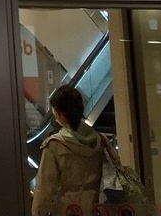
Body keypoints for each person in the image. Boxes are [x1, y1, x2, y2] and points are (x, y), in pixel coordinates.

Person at [31, 85, 106, 216]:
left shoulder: (54, 144)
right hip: (95, 207)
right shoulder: (99, 140)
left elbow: (44, 188)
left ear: (59, 112)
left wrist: (37, 213)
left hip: (67, 208)